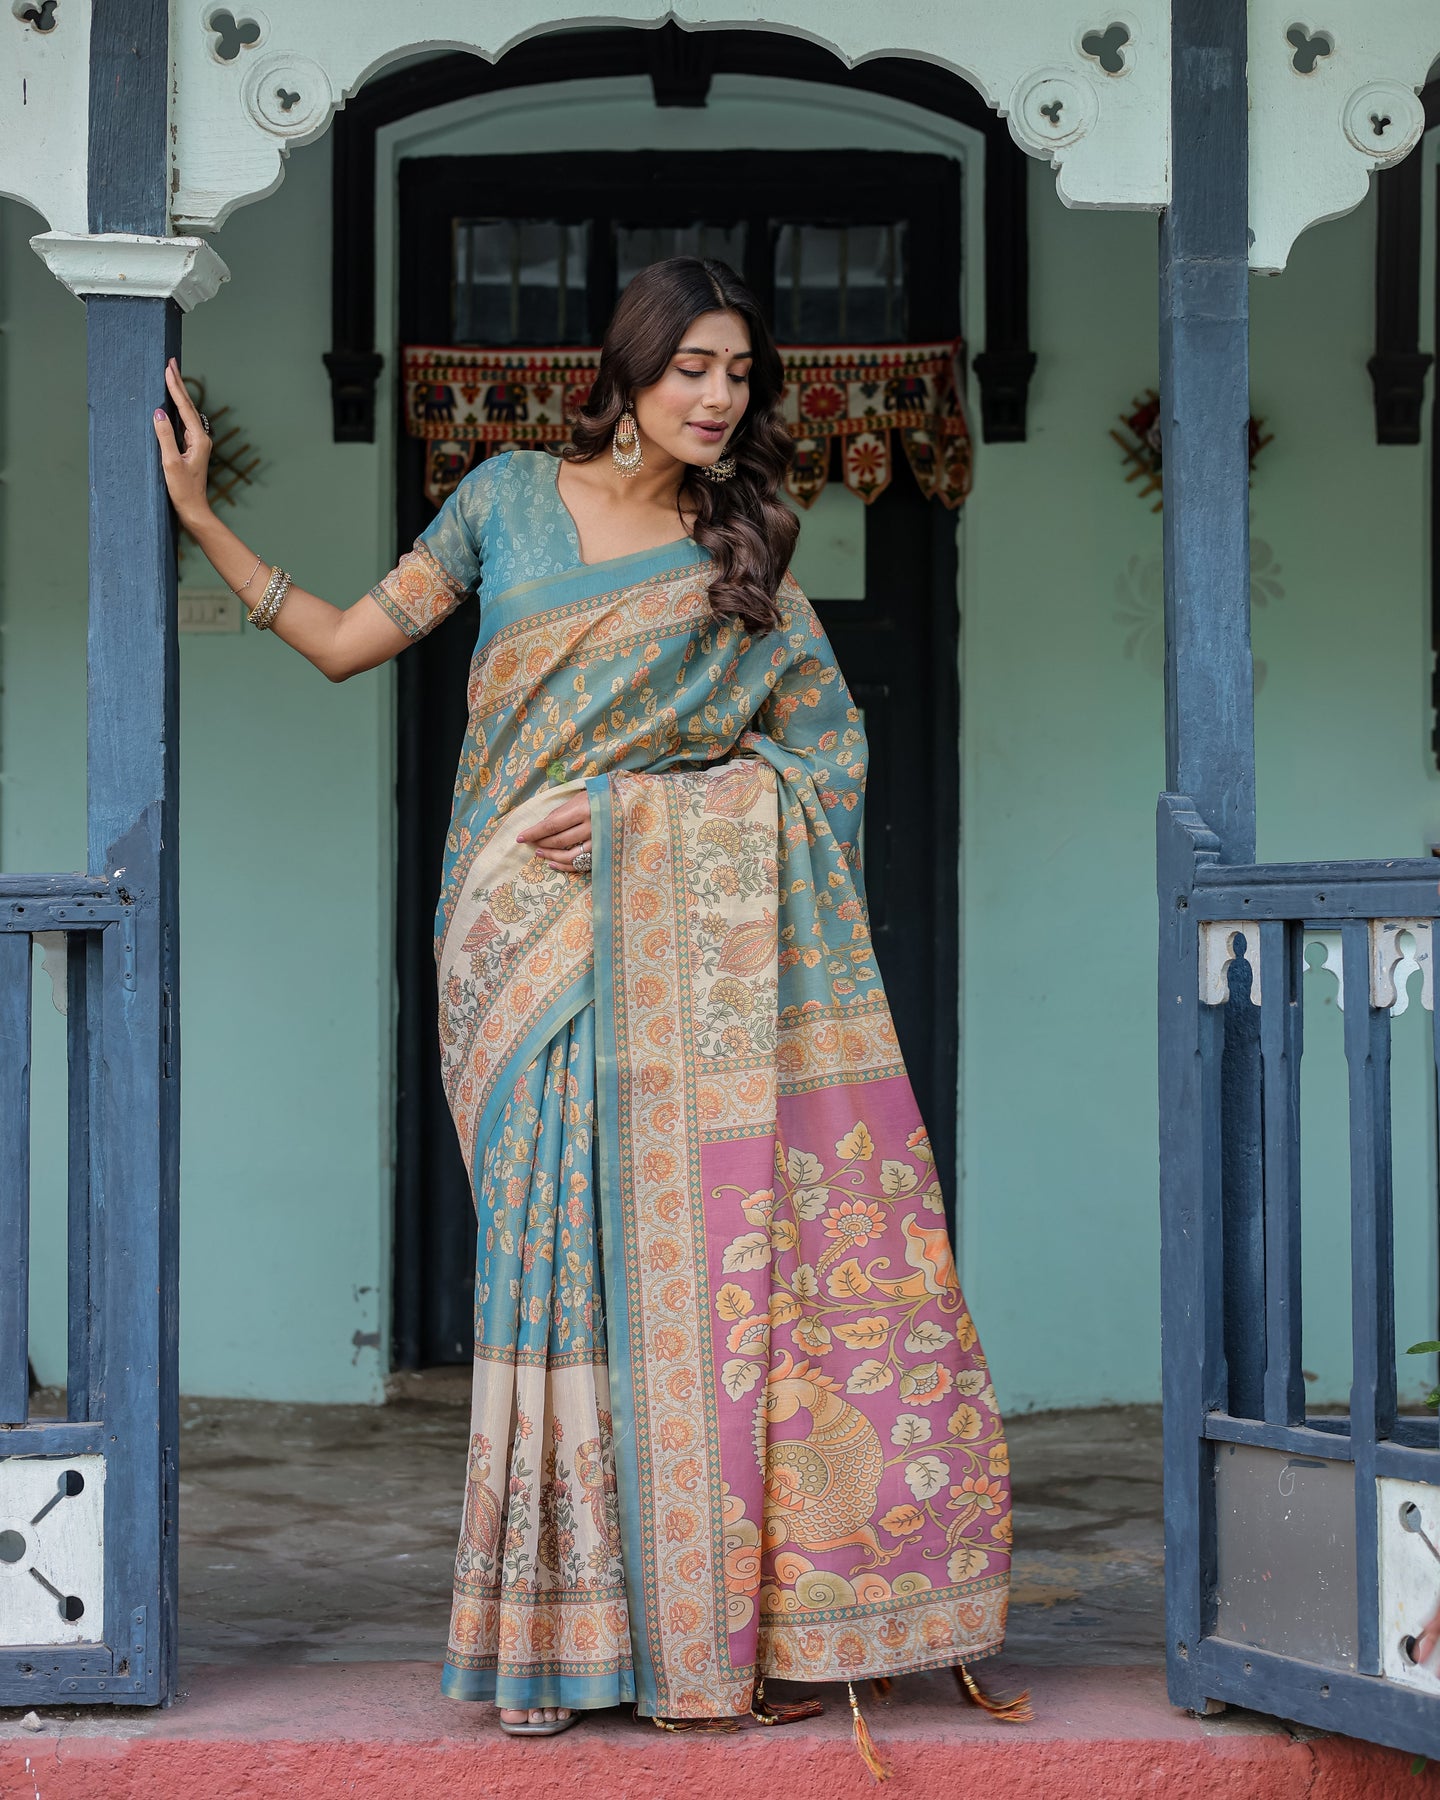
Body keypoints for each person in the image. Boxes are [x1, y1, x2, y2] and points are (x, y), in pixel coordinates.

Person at [155, 258, 1016, 1749]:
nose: (717, 397)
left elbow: (827, 761)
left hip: (660, 941)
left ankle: (676, 1625)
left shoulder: (741, 551)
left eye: (739, 373)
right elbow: (351, 643)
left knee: (672, 1278)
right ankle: (554, 1634)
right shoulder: (502, 499)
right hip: (512, 942)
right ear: (626, 372)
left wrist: (640, 816)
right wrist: (203, 520)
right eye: (691, 367)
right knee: (545, 1267)